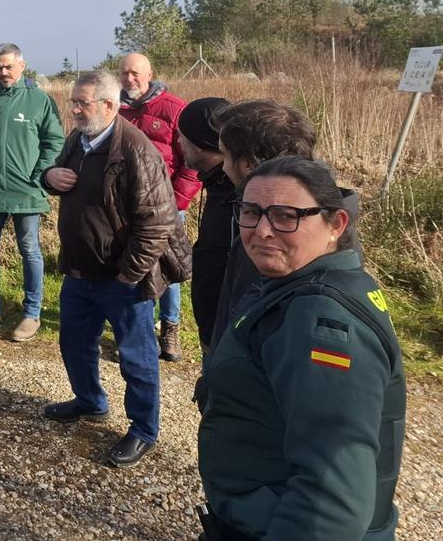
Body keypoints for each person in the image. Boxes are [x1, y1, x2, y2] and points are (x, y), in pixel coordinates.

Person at [197, 156, 405, 540]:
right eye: (250, 212)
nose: (261, 231)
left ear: (335, 224)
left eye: (285, 216)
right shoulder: (312, 282)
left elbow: (332, 496)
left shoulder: (322, 324)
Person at [40, 71, 189, 468]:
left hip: (121, 279)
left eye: (81, 103)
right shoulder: (79, 140)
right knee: (73, 344)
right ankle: (90, 402)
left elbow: (159, 222)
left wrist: (129, 273)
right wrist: (49, 177)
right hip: (79, 272)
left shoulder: (137, 150)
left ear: (109, 106)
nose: (73, 109)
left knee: (136, 358)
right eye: (72, 101)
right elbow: (59, 177)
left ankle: (143, 430)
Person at [0, 42, 64, 341]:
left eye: (8, 66)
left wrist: (40, 174)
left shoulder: (39, 100)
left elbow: (55, 141)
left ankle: (32, 315)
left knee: (29, 250)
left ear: (22, 65)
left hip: (27, 192)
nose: (3, 72)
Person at [209, 100, 317, 351]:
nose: (222, 166)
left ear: (247, 164)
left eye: (224, 155)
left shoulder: (270, 235)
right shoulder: (319, 213)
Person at [118, 52, 202, 361]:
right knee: (136, 265)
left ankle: (170, 328)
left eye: (135, 73)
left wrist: (178, 199)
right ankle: (140, 329)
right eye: (124, 73)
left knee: (168, 267)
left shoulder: (174, 109)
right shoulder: (116, 110)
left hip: (167, 206)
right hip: (127, 206)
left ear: (150, 74)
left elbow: (192, 161)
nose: (130, 79)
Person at [174, 97, 234, 353]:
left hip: (230, 336)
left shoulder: (240, 195)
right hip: (214, 327)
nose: (177, 143)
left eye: (182, 137)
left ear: (199, 144)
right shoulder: (219, 182)